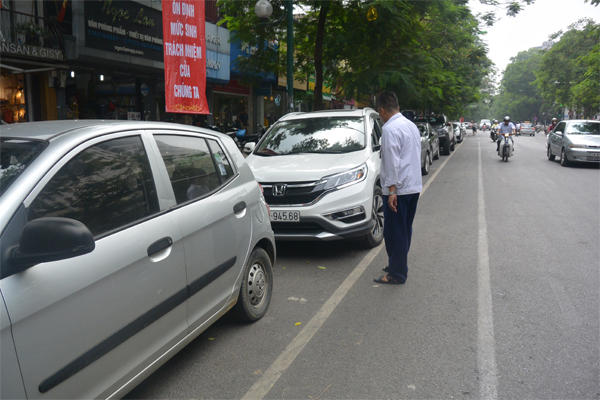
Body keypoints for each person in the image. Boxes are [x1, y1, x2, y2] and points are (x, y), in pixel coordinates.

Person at [374, 91, 422, 285]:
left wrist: (392, 190)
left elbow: (392, 161)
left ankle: (397, 273)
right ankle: (397, 263)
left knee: (395, 231)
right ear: (398, 108)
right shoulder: (411, 126)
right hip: (413, 187)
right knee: (404, 229)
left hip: (398, 190)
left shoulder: (389, 129)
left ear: (382, 110)